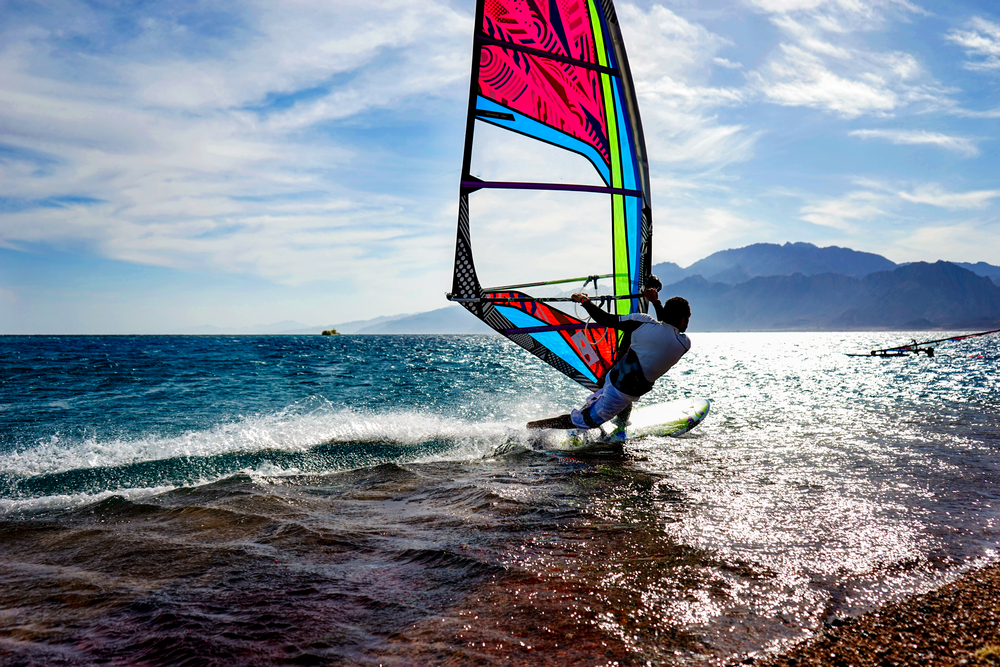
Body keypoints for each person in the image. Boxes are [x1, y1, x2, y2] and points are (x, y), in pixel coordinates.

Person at [528, 283, 691, 431]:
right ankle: (532, 428)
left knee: (587, 413)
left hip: (613, 380)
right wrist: (656, 302)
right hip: (619, 395)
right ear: (683, 319)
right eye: (688, 318)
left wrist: (585, 301)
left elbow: (605, 319)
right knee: (580, 421)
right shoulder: (683, 344)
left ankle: (606, 425)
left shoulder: (641, 322)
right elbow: (667, 325)